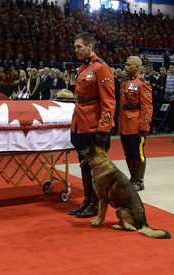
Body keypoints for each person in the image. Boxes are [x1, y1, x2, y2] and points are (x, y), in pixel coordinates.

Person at [69, 32, 115, 218]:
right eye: (74, 47)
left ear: (90, 46)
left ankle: (96, 203)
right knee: (84, 163)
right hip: (80, 121)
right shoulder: (83, 67)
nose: (76, 50)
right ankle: (87, 200)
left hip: (93, 124)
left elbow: (109, 101)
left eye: (79, 46)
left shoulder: (101, 68)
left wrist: (103, 128)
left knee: (95, 166)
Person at [118, 56, 153, 191]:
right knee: (128, 153)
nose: (125, 67)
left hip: (136, 122)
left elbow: (147, 107)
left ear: (137, 67)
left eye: (129, 65)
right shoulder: (125, 82)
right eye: (125, 65)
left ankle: (139, 181)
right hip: (124, 122)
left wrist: (144, 125)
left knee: (138, 153)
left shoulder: (143, 83)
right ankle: (132, 177)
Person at [165, 64, 174, 133]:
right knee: (169, 114)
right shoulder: (167, 76)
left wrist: (170, 91)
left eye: (172, 67)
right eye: (170, 67)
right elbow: (166, 85)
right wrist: (166, 91)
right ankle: (170, 128)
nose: (171, 69)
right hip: (168, 98)